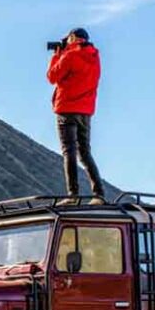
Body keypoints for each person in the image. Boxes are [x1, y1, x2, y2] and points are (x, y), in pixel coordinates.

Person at [47, 27, 105, 205]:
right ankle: (99, 194)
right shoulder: (95, 58)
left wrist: (57, 55)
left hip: (66, 108)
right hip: (85, 111)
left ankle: (73, 194)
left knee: (69, 151)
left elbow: (52, 76)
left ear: (73, 37)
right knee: (85, 152)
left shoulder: (70, 56)